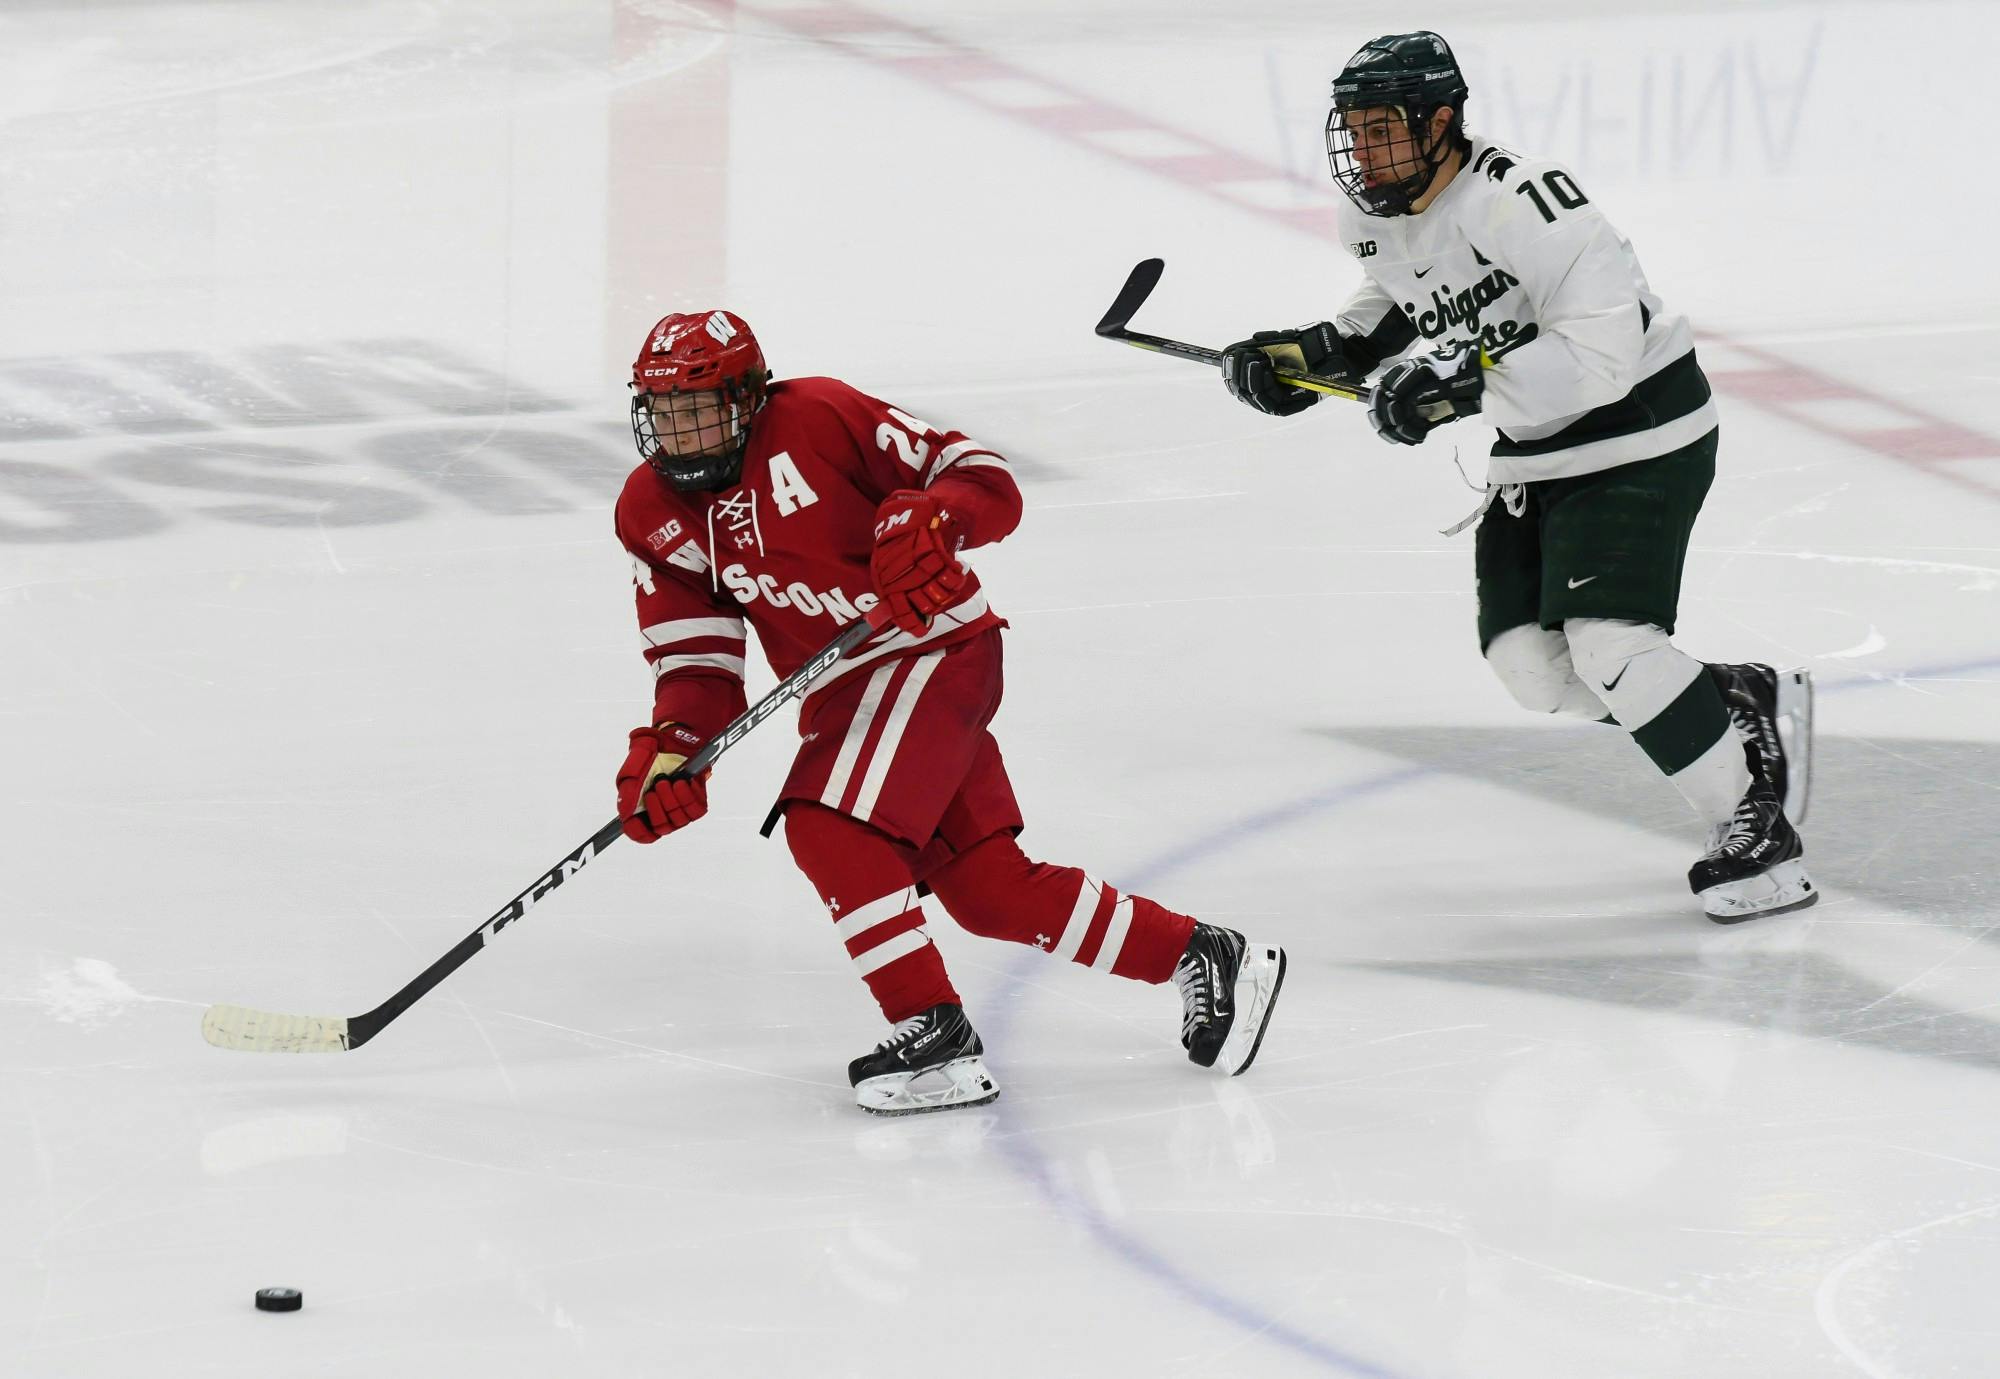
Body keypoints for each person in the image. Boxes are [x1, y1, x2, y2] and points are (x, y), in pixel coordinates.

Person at [611, 310, 1286, 1113]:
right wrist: (677, 749)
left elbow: (980, 473)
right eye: (664, 413)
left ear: (750, 397)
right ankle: (1204, 954)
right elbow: (697, 664)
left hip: (934, 649)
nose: (681, 434)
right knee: (988, 891)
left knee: (825, 822)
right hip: (844, 694)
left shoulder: (819, 417)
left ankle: (933, 1033)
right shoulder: (650, 513)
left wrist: (937, 517)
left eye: (699, 408)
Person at [1218, 31, 1816, 923]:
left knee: (1610, 643)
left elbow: (1604, 354)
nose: (1363, 149)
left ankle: (1756, 831)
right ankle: (1729, 696)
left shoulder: (1526, 202)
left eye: (1381, 127)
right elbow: (1396, 307)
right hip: (1537, 449)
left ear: (1444, 120)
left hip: (1642, 429)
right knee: (1530, 666)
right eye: (1353, 128)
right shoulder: (1376, 215)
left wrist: (1460, 388)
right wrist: (1311, 357)